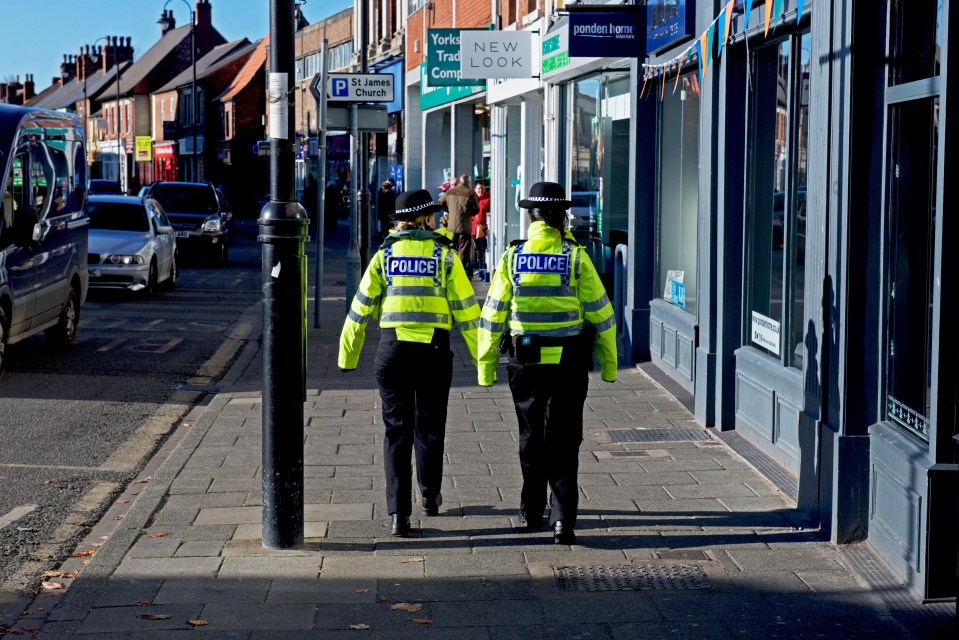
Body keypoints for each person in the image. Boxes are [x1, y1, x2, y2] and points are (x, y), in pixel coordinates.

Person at [477, 181, 617, 545]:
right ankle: (562, 520)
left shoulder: (511, 257)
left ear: (530, 217)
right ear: (562, 219)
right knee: (565, 439)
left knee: (530, 435)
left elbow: (492, 316)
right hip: (568, 362)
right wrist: (610, 364)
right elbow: (603, 315)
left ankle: (531, 508)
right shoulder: (576, 257)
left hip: (525, 363)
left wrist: (486, 365)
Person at [338, 188, 481, 537]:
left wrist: (347, 357)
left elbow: (359, 310)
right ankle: (430, 498)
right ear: (425, 219)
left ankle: (398, 516)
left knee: (395, 433)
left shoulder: (384, 256)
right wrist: (484, 358)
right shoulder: (445, 257)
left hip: (392, 352)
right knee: (430, 429)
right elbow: (468, 313)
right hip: (433, 353)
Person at [438, 174, 479, 279]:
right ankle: (458, 273)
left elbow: (440, 202)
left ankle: (448, 272)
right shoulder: (470, 193)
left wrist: (450, 211)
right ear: (468, 182)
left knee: (451, 249)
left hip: (451, 227)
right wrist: (468, 212)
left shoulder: (450, 191)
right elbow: (476, 209)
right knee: (463, 252)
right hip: (464, 227)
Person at [472, 182, 490, 272]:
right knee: (478, 249)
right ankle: (480, 268)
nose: (480, 190)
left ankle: (484, 268)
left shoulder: (488, 198)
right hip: (474, 229)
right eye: (478, 188)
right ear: (475, 190)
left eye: (481, 188)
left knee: (483, 249)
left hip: (483, 228)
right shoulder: (472, 199)